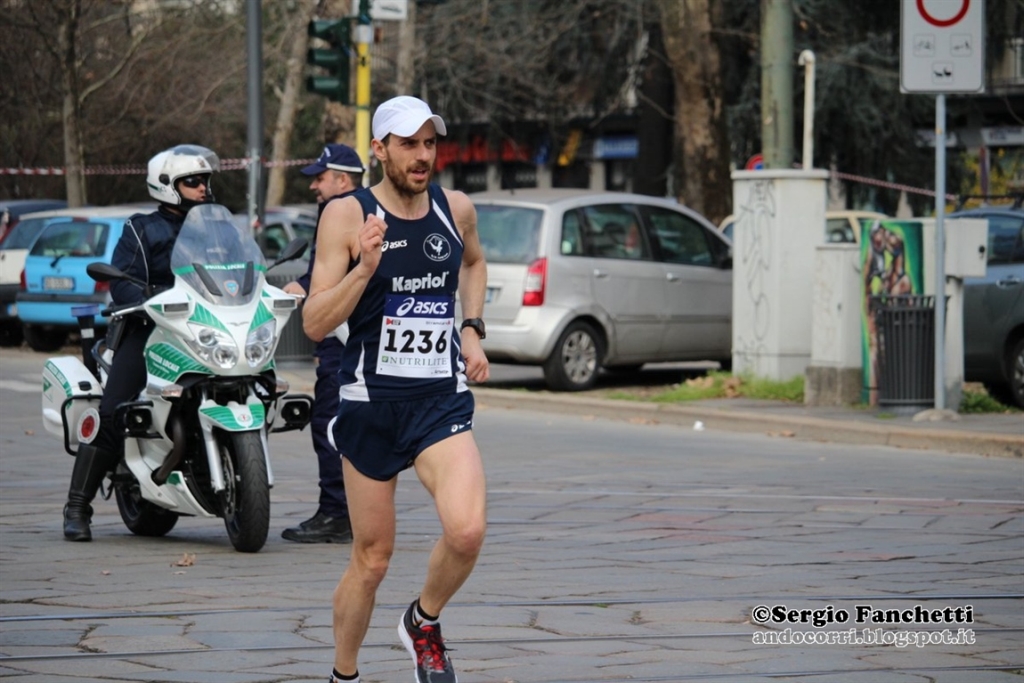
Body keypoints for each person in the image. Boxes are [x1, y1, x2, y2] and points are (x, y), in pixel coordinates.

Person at [303, 95, 489, 683]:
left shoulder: (455, 208)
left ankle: (423, 621)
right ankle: (344, 673)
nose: (423, 155)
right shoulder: (345, 215)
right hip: (370, 405)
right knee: (372, 560)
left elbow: (475, 265)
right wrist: (363, 267)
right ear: (379, 149)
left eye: (430, 143)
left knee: (466, 531)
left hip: (439, 401)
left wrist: (471, 329)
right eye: (408, 144)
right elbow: (314, 323)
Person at [62, 144, 218, 542]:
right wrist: (144, 303)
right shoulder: (142, 227)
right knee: (116, 411)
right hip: (150, 331)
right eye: (193, 182)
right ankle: (77, 507)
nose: (203, 188)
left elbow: (240, 269)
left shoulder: (215, 227)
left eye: (205, 181)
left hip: (204, 330)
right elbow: (121, 282)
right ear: (167, 185)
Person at [279, 144, 365, 544]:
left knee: (329, 423)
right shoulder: (358, 212)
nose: (314, 185)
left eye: (320, 177)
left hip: (344, 339)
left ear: (342, 179)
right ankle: (358, 512)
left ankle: (336, 514)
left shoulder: (345, 215)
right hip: (352, 339)